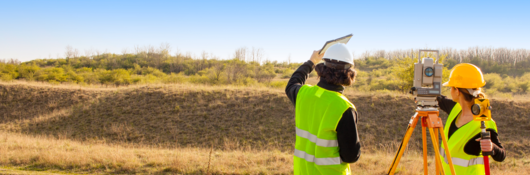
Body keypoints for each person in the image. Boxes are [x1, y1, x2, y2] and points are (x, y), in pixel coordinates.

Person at [285, 43, 360, 175]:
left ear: (322, 69)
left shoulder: (303, 94)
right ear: (349, 73)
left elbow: (292, 84)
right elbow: (351, 156)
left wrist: (311, 61)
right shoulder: (344, 108)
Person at [437, 63, 506, 174]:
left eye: (451, 87)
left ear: (457, 91)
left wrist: (492, 147)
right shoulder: (455, 108)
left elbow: (501, 155)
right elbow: (439, 99)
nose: (449, 90)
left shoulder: (484, 122)